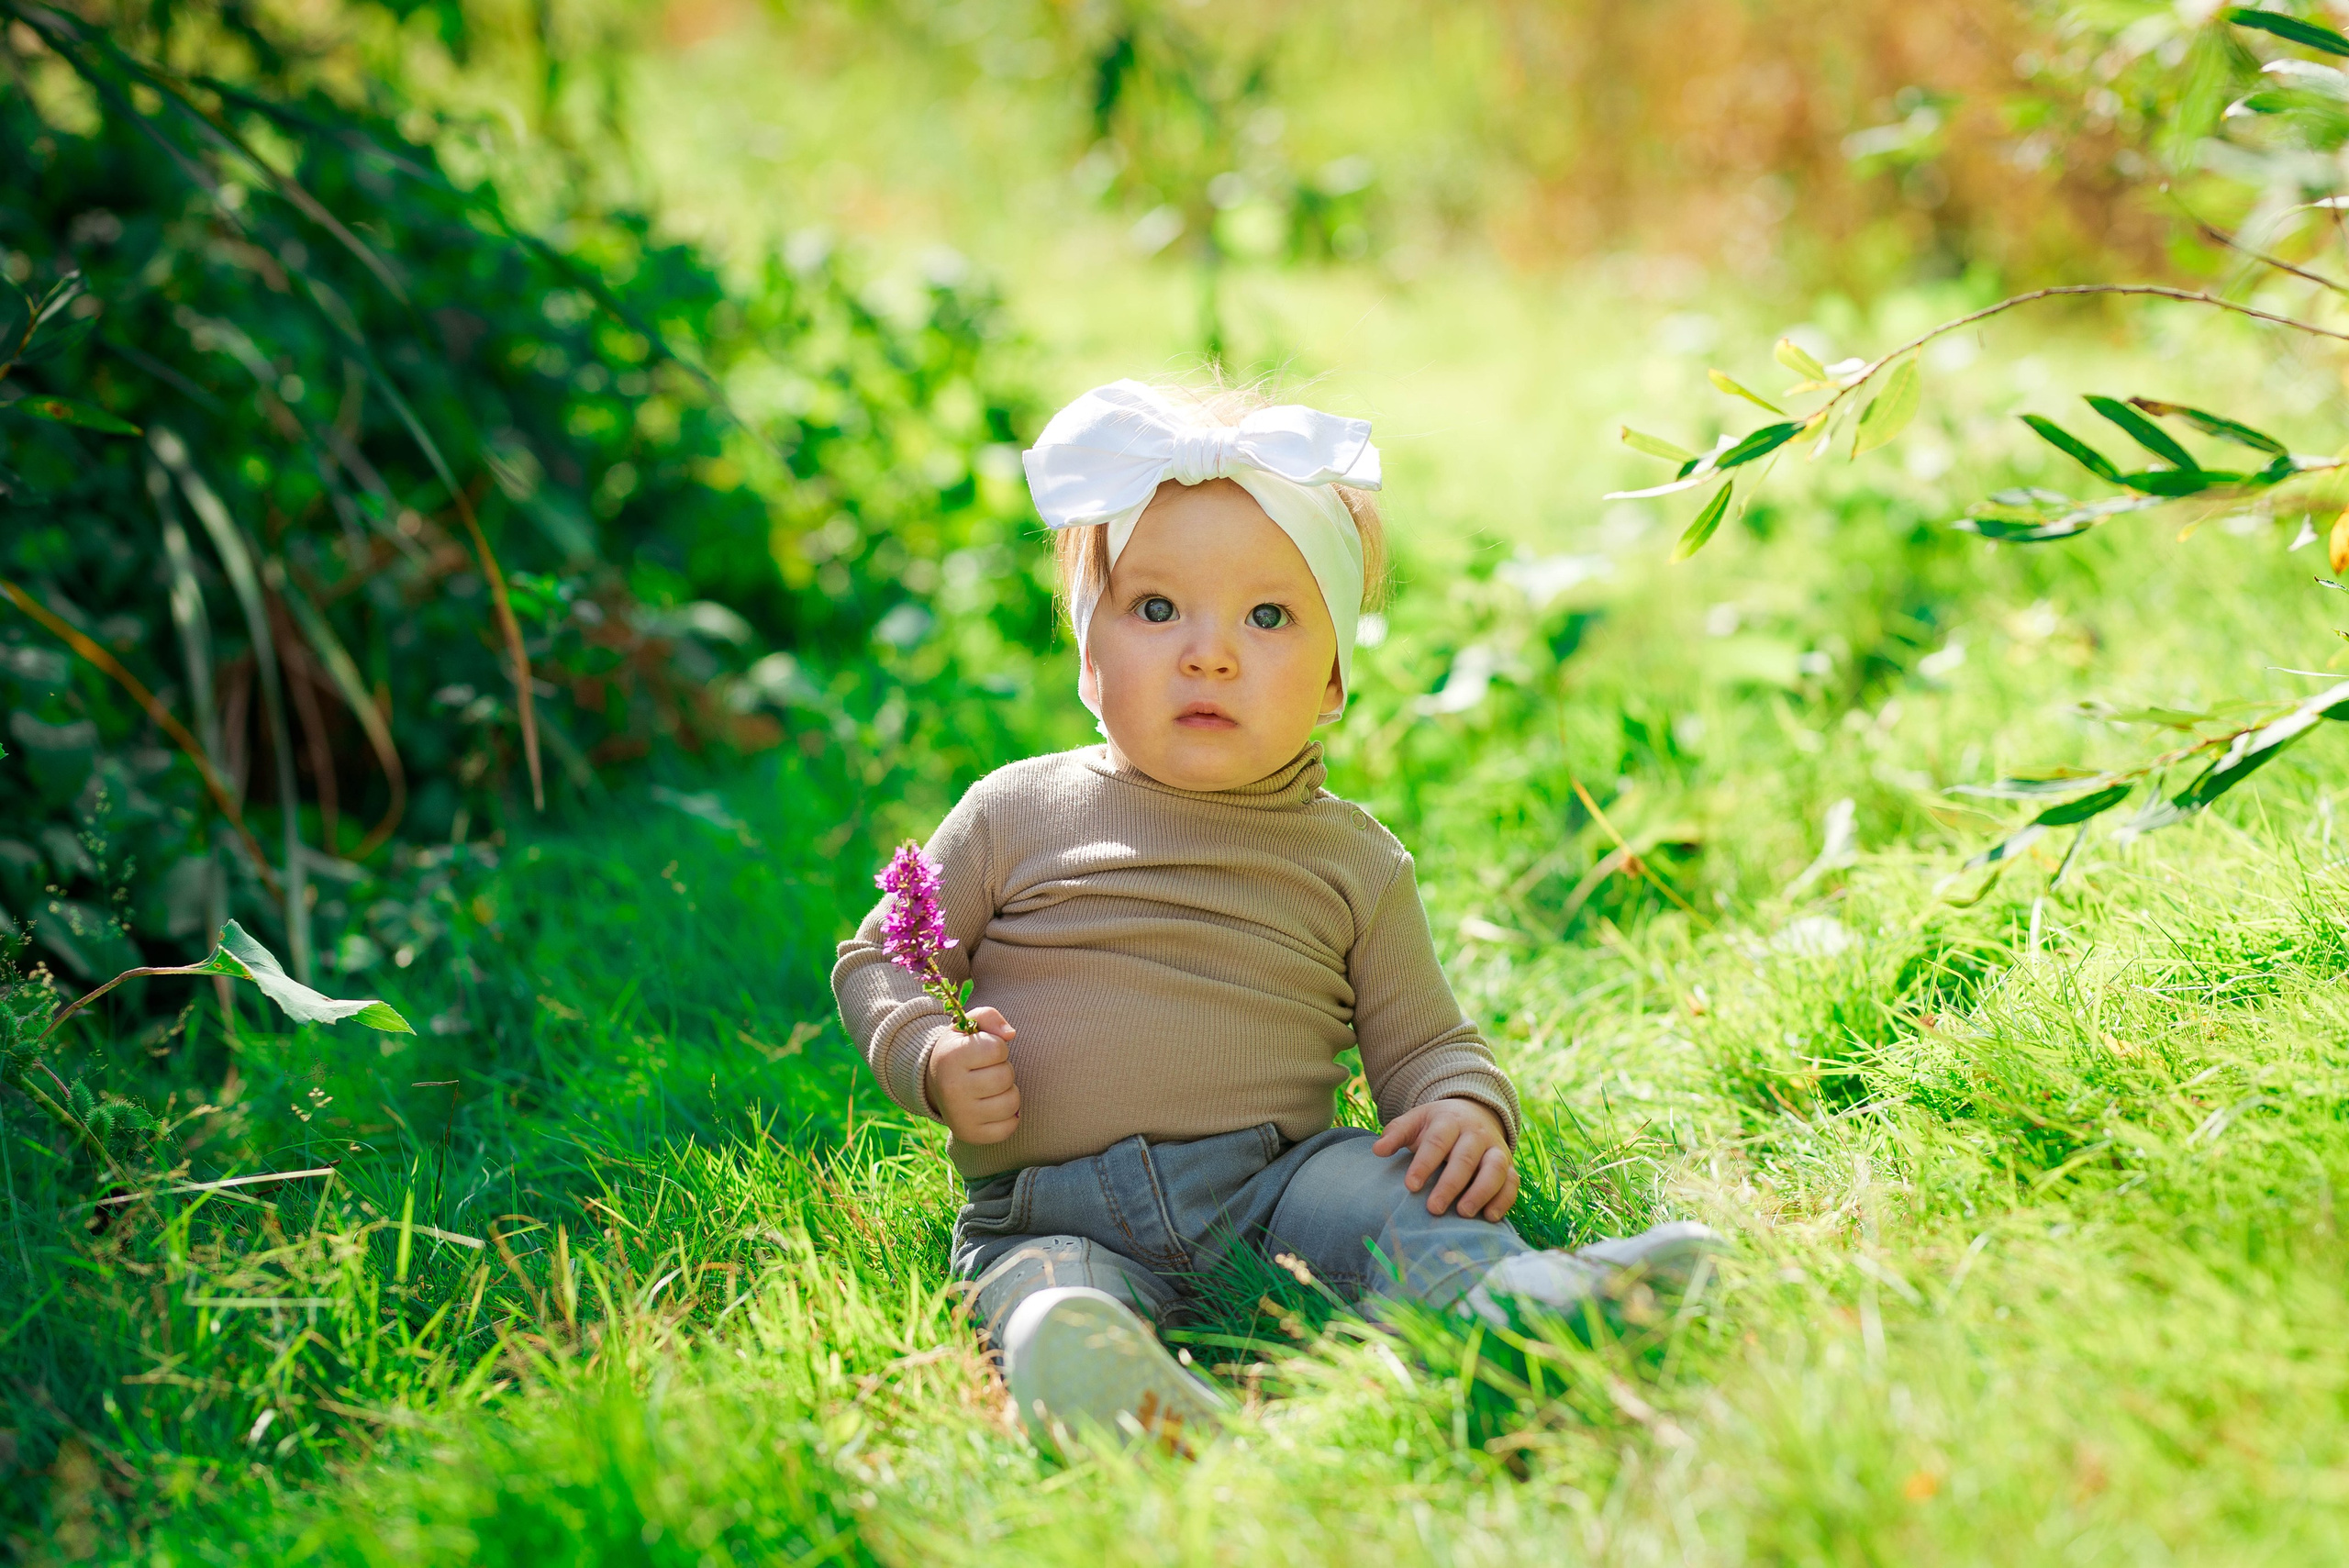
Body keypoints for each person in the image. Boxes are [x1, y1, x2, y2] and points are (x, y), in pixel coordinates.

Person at [832, 379, 1717, 1447]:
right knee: (1044, 1287)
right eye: (1156, 609)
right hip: (1048, 1202)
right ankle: (1099, 1370)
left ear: (1335, 675)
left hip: (1274, 1185)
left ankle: (1511, 1311)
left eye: (1268, 616)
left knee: (1397, 1196)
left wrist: (1463, 1114)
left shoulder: (1351, 859)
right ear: (1086, 652)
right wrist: (927, 1050)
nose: (1209, 651)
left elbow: (1427, 1040)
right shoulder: (1018, 809)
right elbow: (886, 952)